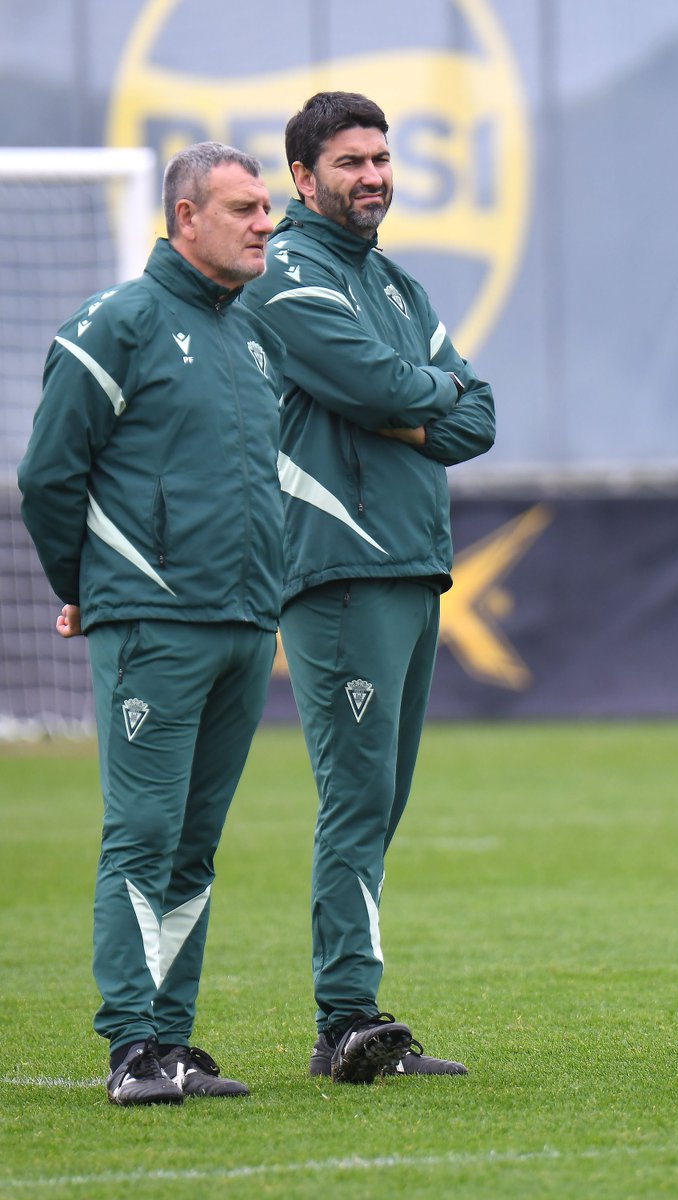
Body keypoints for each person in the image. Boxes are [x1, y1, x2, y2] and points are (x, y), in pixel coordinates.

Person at [18, 143, 285, 1104]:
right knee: (141, 833)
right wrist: (86, 585)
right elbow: (49, 477)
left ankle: (173, 1038)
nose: (267, 222)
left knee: (195, 843)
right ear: (184, 217)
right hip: (154, 624)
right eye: (246, 208)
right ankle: (132, 1045)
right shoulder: (118, 322)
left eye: (267, 207)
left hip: (248, 622)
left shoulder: (252, 336)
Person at [242, 92, 495, 1083]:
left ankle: (353, 1011)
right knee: (355, 798)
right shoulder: (287, 268)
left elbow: (477, 422)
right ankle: (347, 1020)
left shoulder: (395, 285)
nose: (374, 176)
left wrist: (404, 398)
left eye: (383, 159)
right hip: (338, 564)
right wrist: (409, 395)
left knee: (379, 801)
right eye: (351, 162)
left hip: (408, 559)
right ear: (303, 178)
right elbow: (399, 390)